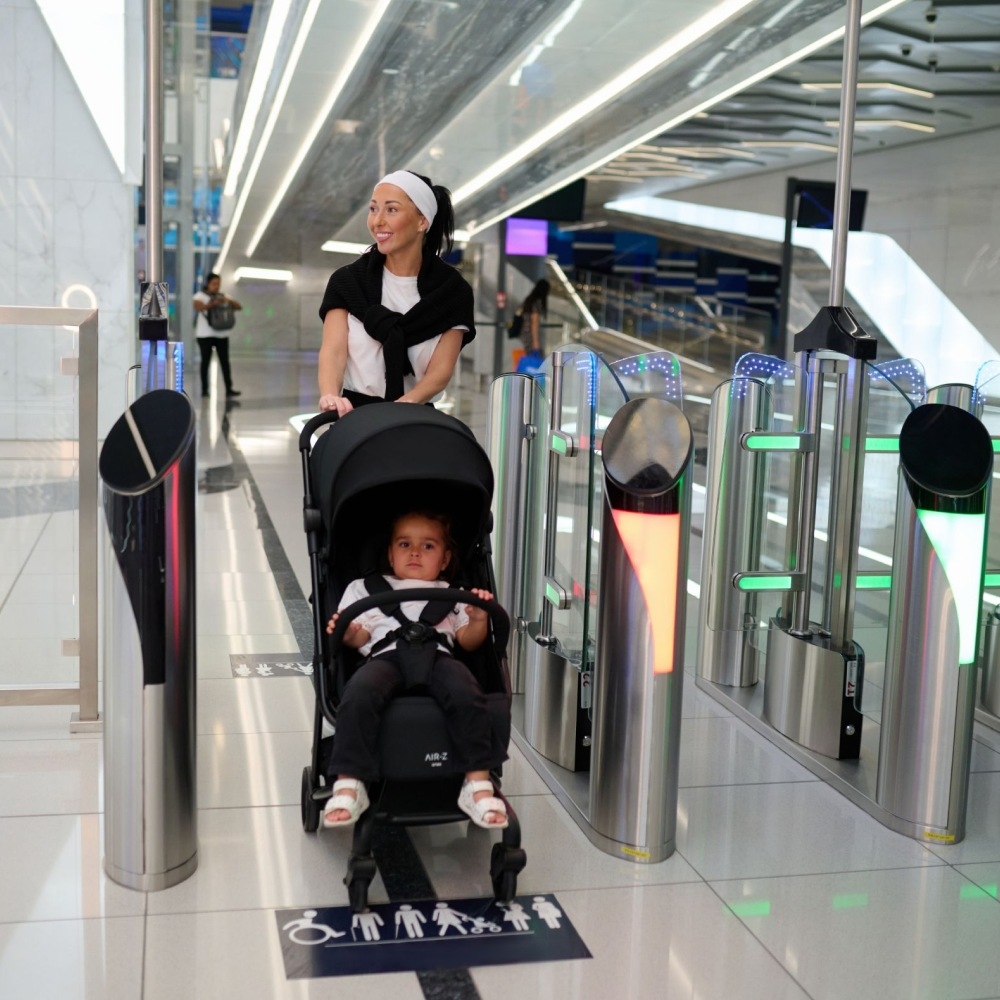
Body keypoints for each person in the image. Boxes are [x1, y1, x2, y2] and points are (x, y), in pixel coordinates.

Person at [321, 510, 508, 830]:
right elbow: (359, 637)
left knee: (468, 694)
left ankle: (477, 785)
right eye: (405, 544)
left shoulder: (454, 593)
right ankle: (349, 783)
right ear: (390, 553)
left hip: (439, 658)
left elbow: (468, 641)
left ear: (445, 559)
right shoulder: (364, 589)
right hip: (385, 657)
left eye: (428, 546)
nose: (415, 553)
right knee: (359, 693)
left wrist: (478, 619)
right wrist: (348, 633)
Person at [317, 171, 475, 414]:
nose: (377, 220)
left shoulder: (452, 293)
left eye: (391, 209)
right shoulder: (348, 282)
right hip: (354, 417)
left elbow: (439, 373)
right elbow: (333, 352)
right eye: (373, 209)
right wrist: (330, 396)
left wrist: (399, 410)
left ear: (422, 221)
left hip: (415, 416)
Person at [193, 273, 242, 398]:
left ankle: (229, 389)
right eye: (214, 284)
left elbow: (239, 307)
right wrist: (213, 304)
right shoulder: (200, 296)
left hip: (222, 335)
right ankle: (204, 389)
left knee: (225, 362)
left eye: (218, 284)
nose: (216, 286)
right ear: (208, 284)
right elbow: (198, 307)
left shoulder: (223, 296)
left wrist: (227, 300)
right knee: (205, 362)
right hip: (205, 335)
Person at [516, 278, 550, 356]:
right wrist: (536, 341)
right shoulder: (537, 302)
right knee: (536, 356)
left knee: (528, 355)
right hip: (530, 335)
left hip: (524, 332)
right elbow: (534, 322)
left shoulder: (529, 300)